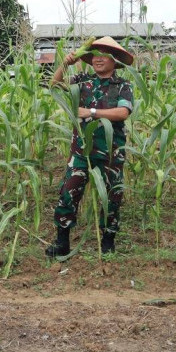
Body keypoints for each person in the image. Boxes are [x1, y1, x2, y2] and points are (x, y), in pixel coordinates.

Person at [45, 36, 134, 257]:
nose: (98, 59)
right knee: (68, 192)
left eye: (104, 55)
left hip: (110, 151)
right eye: (95, 55)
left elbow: (123, 112)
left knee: (112, 196)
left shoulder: (122, 86)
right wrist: (65, 64)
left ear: (115, 61)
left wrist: (91, 112)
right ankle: (62, 241)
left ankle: (108, 241)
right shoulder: (82, 81)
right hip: (81, 150)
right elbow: (54, 86)